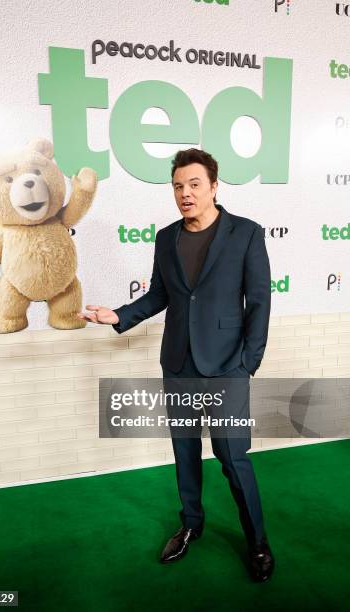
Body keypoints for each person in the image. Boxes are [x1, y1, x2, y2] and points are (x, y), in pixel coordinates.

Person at [78, 148, 274, 582]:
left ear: (214, 186)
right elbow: (159, 296)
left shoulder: (246, 233)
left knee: (233, 457)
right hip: (179, 364)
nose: (185, 194)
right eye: (178, 186)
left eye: (194, 185)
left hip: (227, 367)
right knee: (184, 453)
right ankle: (190, 524)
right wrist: (119, 315)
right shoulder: (166, 237)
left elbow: (259, 301)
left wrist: (248, 363)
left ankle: (257, 541)